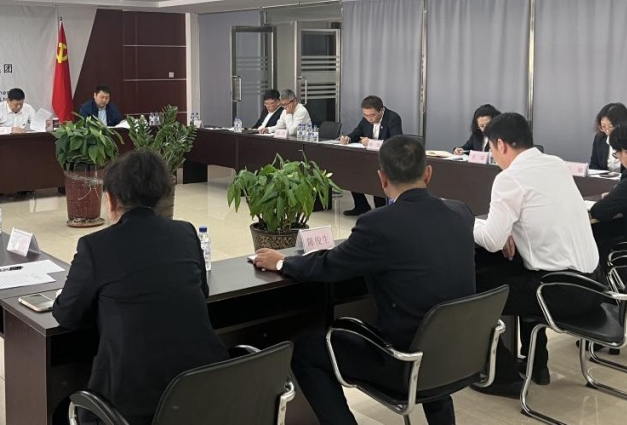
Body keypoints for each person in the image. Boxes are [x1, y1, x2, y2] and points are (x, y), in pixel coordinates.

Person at [253, 135, 476, 425]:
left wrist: (282, 262)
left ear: (382, 179)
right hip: (457, 354)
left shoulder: (379, 224)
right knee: (432, 326)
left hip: (403, 362)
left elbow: (330, 265)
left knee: (305, 350)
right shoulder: (460, 213)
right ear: (428, 173)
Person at [52, 151, 228, 424]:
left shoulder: (96, 246)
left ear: (111, 199)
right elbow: (201, 292)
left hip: (132, 406)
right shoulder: (185, 232)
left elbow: (67, 315)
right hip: (201, 391)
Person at [471, 113, 599, 397]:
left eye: (491, 149)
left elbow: (491, 240)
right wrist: (510, 229)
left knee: (471, 290)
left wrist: (467, 223)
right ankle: (536, 364)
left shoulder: (509, 178)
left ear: (501, 144)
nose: (493, 156)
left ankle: (500, 375)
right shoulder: (556, 164)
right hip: (594, 284)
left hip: (559, 292)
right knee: (524, 270)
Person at [340, 95, 403, 216]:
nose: (369, 118)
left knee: (376, 179)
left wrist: (372, 143)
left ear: (381, 110)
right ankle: (361, 206)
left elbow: (396, 142)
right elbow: (357, 132)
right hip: (369, 157)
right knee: (352, 173)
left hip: (387, 159)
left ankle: (381, 211)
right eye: (366, 115)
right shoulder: (366, 118)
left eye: (372, 115)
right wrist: (348, 138)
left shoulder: (393, 118)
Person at [589, 102, 627, 171]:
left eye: (611, 126)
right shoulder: (600, 138)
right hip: (604, 177)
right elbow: (594, 165)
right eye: (603, 126)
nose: (607, 131)